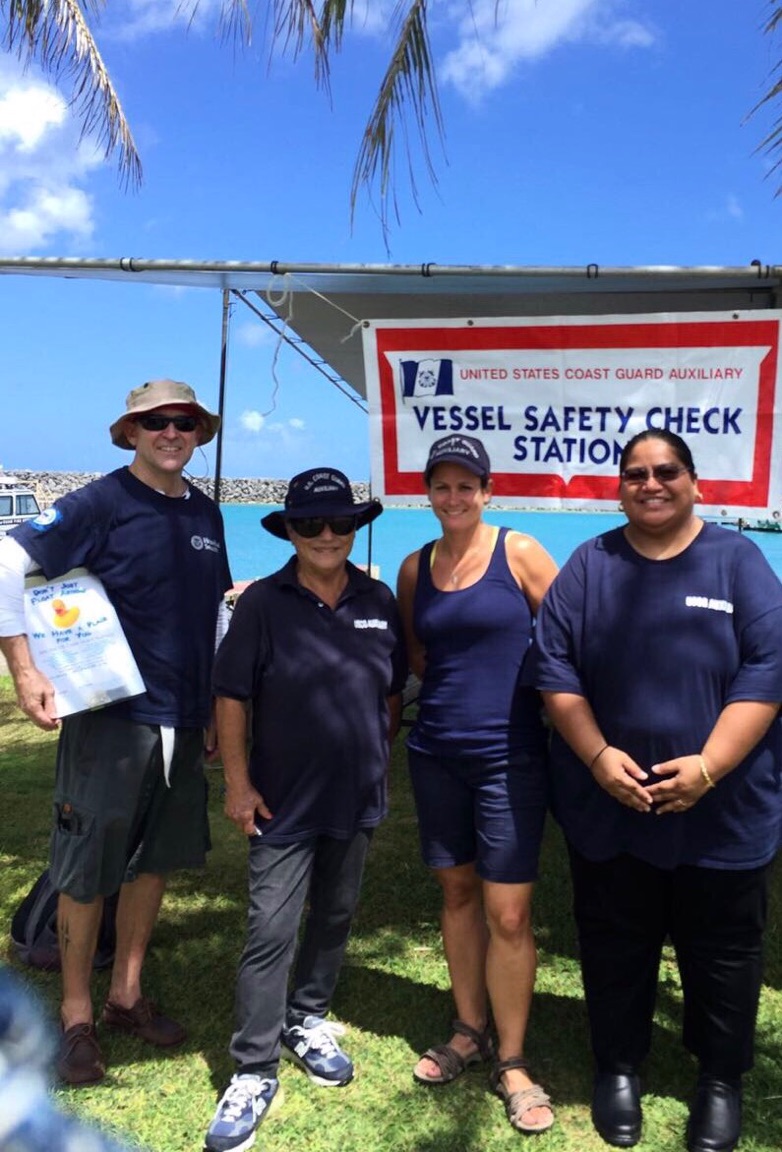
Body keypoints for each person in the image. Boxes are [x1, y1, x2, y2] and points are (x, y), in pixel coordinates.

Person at [532, 428, 782, 1152]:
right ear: (620, 487)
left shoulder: (739, 561)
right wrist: (598, 755)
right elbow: (555, 669)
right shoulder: (589, 565)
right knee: (615, 942)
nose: (650, 483)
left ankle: (720, 1079)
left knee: (724, 950)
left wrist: (708, 768)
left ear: (694, 481)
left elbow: (768, 670)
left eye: (666, 471)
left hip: (722, 809)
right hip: (614, 806)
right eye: (635, 474)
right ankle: (617, 1066)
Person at [0, 379, 232, 1087]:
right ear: (131, 432)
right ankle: (77, 1015)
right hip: (111, 720)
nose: (172, 431)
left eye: (184, 422)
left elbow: (214, 610)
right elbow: (8, 563)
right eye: (156, 421)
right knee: (86, 869)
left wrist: (220, 708)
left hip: (184, 717)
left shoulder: (207, 512)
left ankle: (127, 993)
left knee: (153, 861)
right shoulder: (101, 501)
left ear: (197, 433)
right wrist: (24, 669)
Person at [204, 467, 407, 1152]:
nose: (326, 536)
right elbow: (231, 696)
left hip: (358, 795)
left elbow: (390, 692)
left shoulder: (380, 598)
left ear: (355, 528)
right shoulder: (263, 602)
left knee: (337, 913)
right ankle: (255, 1066)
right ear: (289, 531)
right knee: (270, 929)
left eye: (340, 524)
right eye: (310, 524)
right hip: (281, 801)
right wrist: (237, 783)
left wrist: (377, 751)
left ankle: (307, 1016)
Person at [396, 434, 558, 1135]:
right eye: (442, 485)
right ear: (427, 493)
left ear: (488, 492)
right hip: (434, 754)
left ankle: (513, 1059)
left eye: (467, 486)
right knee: (457, 892)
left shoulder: (518, 551)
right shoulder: (414, 567)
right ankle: (468, 1028)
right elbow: (419, 654)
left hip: (511, 757)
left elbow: (566, 638)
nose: (454, 497)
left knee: (511, 914)